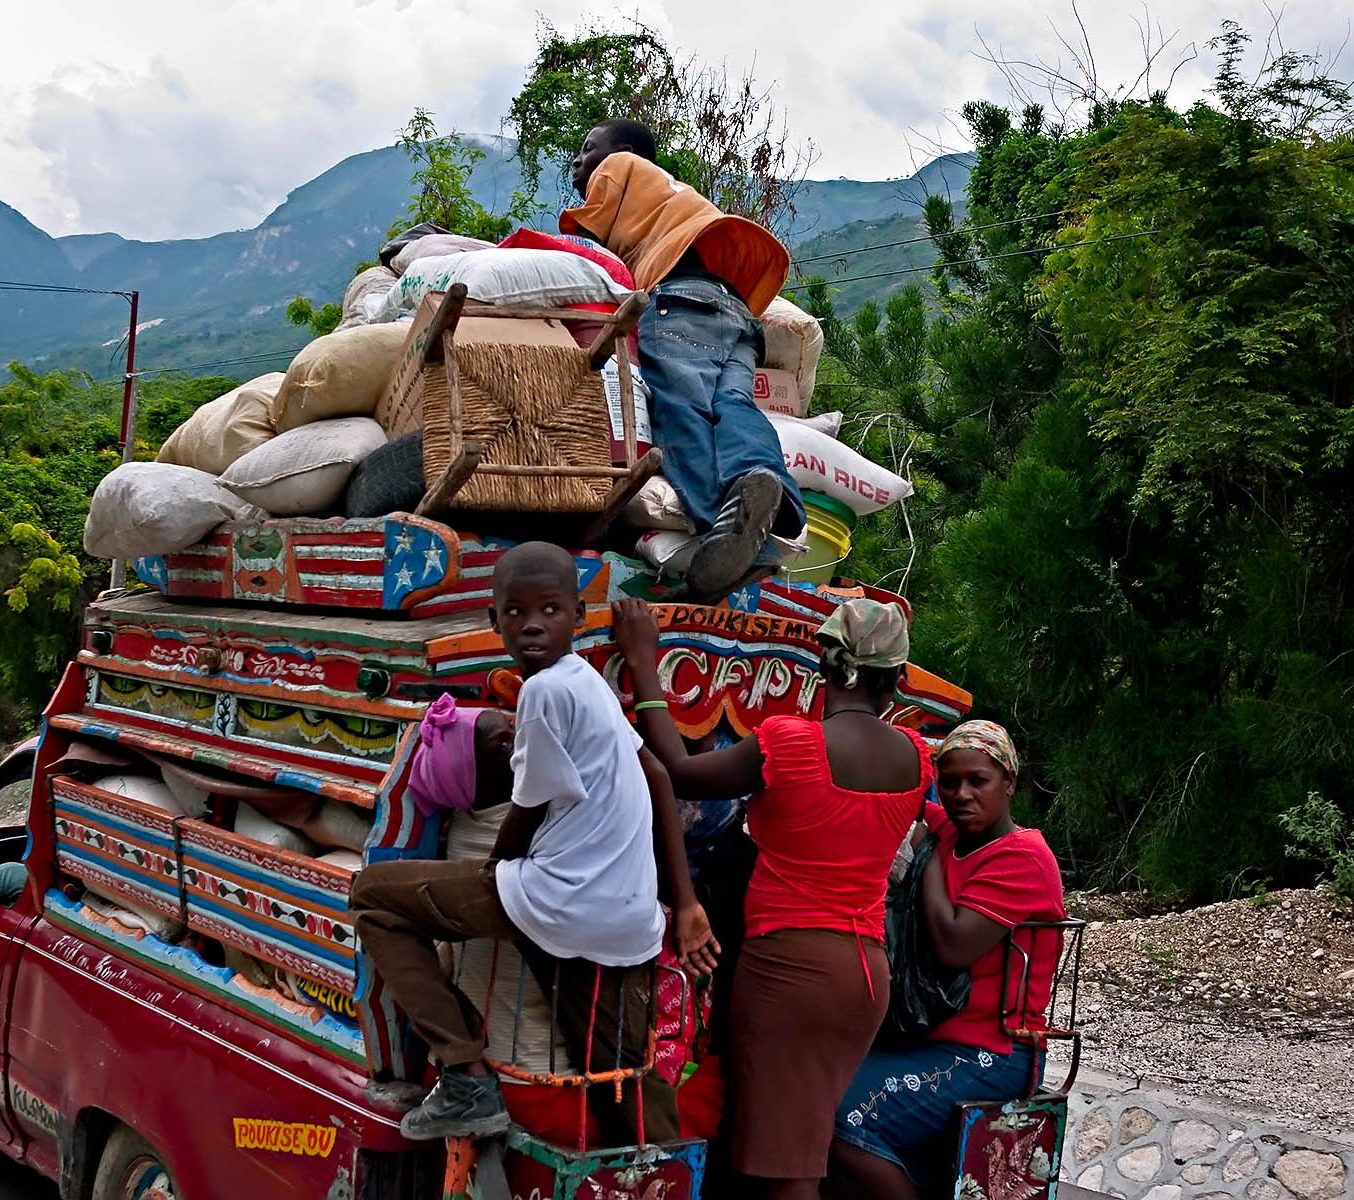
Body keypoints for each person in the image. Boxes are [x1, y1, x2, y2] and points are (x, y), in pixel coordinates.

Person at [350, 542, 718, 1144]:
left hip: (557, 900)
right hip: (628, 922)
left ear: (577, 615)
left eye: (548, 610)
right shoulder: (591, 684)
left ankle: (465, 1075)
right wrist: (685, 903)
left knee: (372, 898)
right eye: (515, 613)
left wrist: (490, 871)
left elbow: (526, 805)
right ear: (495, 620)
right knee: (620, 1077)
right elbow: (655, 773)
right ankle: (662, 1172)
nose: (531, 626)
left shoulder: (543, 690)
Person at [612, 596, 932, 1199]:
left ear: (827, 666)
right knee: (800, 1144)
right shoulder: (915, 759)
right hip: (865, 976)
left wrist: (644, 660)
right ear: (898, 679)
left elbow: (679, 769)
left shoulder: (789, 742)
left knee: (785, 1170)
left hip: (789, 973)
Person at [563, 119, 805, 599]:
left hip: (679, 304)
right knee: (734, 406)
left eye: (586, 149)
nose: (578, 160)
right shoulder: (671, 199)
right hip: (735, 311)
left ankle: (719, 528)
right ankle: (766, 487)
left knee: (679, 411)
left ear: (624, 152)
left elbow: (580, 241)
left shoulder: (621, 167)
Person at [826, 721, 1065, 1199]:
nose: (962, 794)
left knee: (838, 1113)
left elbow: (954, 946)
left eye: (979, 781)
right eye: (950, 782)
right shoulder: (952, 832)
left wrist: (928, 860)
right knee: (817, 1081)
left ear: (1009, 783)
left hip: (992, 1050)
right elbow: (903, 796)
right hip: (931, 1037)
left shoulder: (1022, 857)